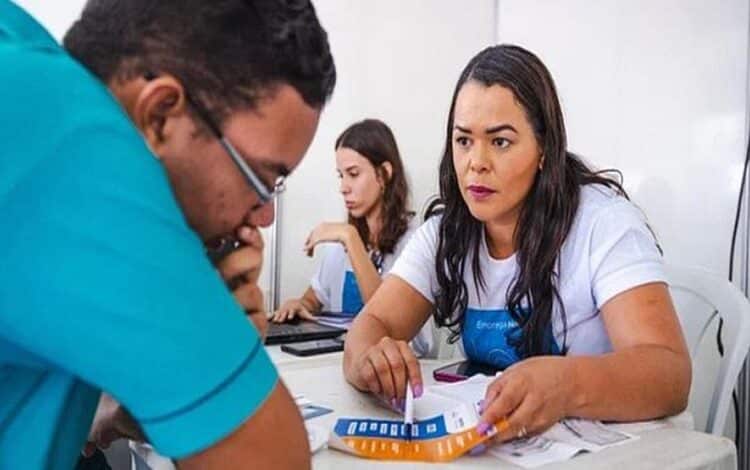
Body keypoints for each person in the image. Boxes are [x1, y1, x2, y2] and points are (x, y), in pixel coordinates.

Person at [0, 1, 335, 468]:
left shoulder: (20, 61)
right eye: (261, 181)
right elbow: (267, 457)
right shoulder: (75, 144)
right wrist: (213, 341)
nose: (263, 217)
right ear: (159, 115)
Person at [342, 44, 691, 443]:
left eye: (501, 141)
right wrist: (371, 360)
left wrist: (565, 385)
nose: (476, 162)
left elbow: (669, 374)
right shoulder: (447, 232)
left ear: (544, 148)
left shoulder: (603, 223)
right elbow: (373, 325)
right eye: (463, 141)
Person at [271, 119, 433, 355]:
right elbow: (311, 300)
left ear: (385, 174)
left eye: (353, 174)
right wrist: (298, 305)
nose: (343, 187)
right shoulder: (342, 243)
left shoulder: (417, 241)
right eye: (341, 175)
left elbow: (387, 321)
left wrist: (349, 237)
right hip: (341, 367)